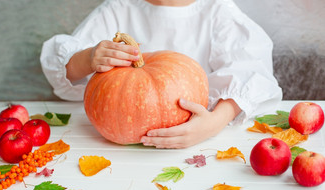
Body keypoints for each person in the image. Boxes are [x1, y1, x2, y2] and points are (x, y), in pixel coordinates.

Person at [40, 0, 282, 149]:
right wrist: (89, 57)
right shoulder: (117, 9)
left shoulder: (217, 11)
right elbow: (66, 69)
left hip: (197, 145)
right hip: (116, 149)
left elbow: (250, 69)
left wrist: (215, 123)